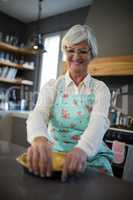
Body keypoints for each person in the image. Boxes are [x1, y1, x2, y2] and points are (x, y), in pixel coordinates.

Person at [26, 24, 114, 181]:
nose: (75, 56)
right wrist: (39, 138)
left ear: (91, 54)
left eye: (82, 51)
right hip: (56, 155)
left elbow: (99, 121)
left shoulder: (100, 89)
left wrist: (82, 150)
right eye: (70, 50)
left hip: (90, 156)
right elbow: (38, 113)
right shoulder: (52, 86)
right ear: (64, 52)